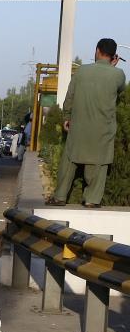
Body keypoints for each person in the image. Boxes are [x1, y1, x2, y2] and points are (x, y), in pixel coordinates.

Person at [48, 39, 126, 207]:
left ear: (97, 50)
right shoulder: (118, 74)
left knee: (69, 161)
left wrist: (66, 118)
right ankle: (91, 200)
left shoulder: (81, 71)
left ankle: (60, 196)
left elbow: (69, 98)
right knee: (98, 164)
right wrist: (112, 67)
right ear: (113, 56)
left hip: (78, 128)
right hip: (102, 131)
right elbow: (119, 90)